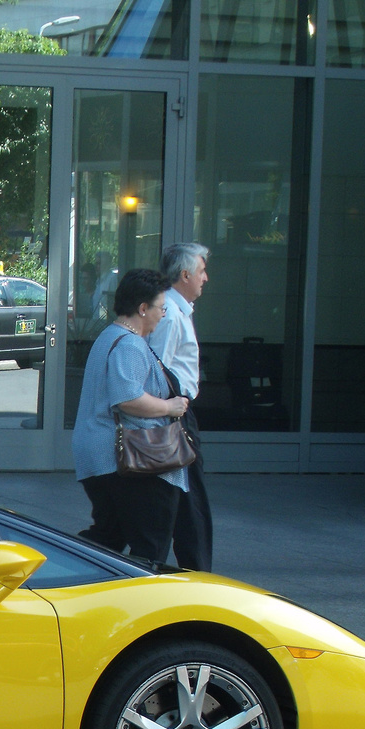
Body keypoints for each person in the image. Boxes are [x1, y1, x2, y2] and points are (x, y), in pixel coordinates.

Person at [71, 268, 190, 563]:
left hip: (100, 458)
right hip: (127, 460)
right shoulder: (130, 344)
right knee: (150, 543)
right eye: (161, 308)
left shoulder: (109, 337)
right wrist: (170, 407)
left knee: (108, 537)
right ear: (142, 308)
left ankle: (64, 568)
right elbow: (128, 398)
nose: (163, 314)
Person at [149, 242, 212, 571]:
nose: (206, 278)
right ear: (185, 274)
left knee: (185, 501)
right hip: (174, 417)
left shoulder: (177, 310)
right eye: (201, 271)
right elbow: (156, 367)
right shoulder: (171, 313)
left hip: (176, 414)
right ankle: (196, 571)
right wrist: (165, 413)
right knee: (189, 502)